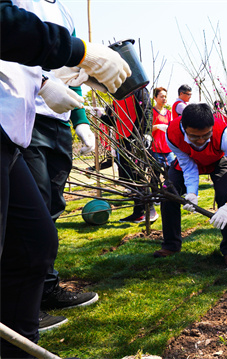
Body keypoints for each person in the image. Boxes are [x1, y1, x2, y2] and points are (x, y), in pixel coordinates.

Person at [0, 1, 130, 356]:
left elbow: (18, 55)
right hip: (15, 125)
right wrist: (81, 51)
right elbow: (8, 27)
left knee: (37, 241)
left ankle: (21, 345)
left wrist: (45, 82)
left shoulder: (63, 12)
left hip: (12, 131)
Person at [18, 0, 100, 333]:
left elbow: (73, 70)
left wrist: (80, 121)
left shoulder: (64, 12)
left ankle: (46, 287)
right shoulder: (21, 3)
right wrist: (40, 86)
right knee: (31, 210)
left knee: (52, 205)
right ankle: (23, 300)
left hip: (58, 121)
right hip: (27, 115)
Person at [154, 103, 227, 268]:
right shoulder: (172, 133)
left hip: (217, 160)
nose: (200, 140)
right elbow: (187, 166)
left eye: (205, 135)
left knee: (226, 193)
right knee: (169, 193)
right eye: (194, 136)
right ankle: (171, 245)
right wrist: (192, 193)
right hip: (188, 161)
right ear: (184, 128)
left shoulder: (223, 134)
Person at [101, 87, 158, 223]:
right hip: (123, 140)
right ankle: (138, 212)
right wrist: (102, 117)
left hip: (135, 138)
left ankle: (150, 210)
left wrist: (146, 132)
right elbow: (116, 121)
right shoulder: (117, 96)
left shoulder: (137, 89)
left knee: (138, 176)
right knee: (129, 178)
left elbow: (147, 110)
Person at [151, 87, 176, 169]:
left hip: (167, 147)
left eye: (165, 96)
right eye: (161, 96)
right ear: (155, 98)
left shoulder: (168, 113)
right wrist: (158, 126)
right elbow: (147, 129)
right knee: (156, 172)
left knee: (171, 171)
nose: (164, 98)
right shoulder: (151, 112)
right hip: (156, 147)